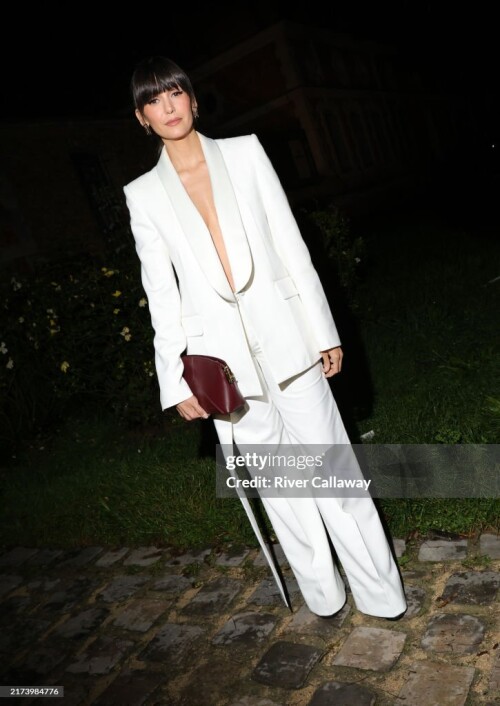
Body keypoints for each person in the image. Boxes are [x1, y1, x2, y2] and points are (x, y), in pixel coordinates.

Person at [123, 55, 407, 618]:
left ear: (193, 99)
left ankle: (381, 593)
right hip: (222, 365)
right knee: (281, 486)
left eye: (176, 92)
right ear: (143, 118)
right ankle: (323, 595)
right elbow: (161, 293)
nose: (169, 106)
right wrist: (174, 378)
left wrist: (321, 328)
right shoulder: (143, 195)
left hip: (290, 340)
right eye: (155, 100)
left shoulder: (246, 153)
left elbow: (290, 243)